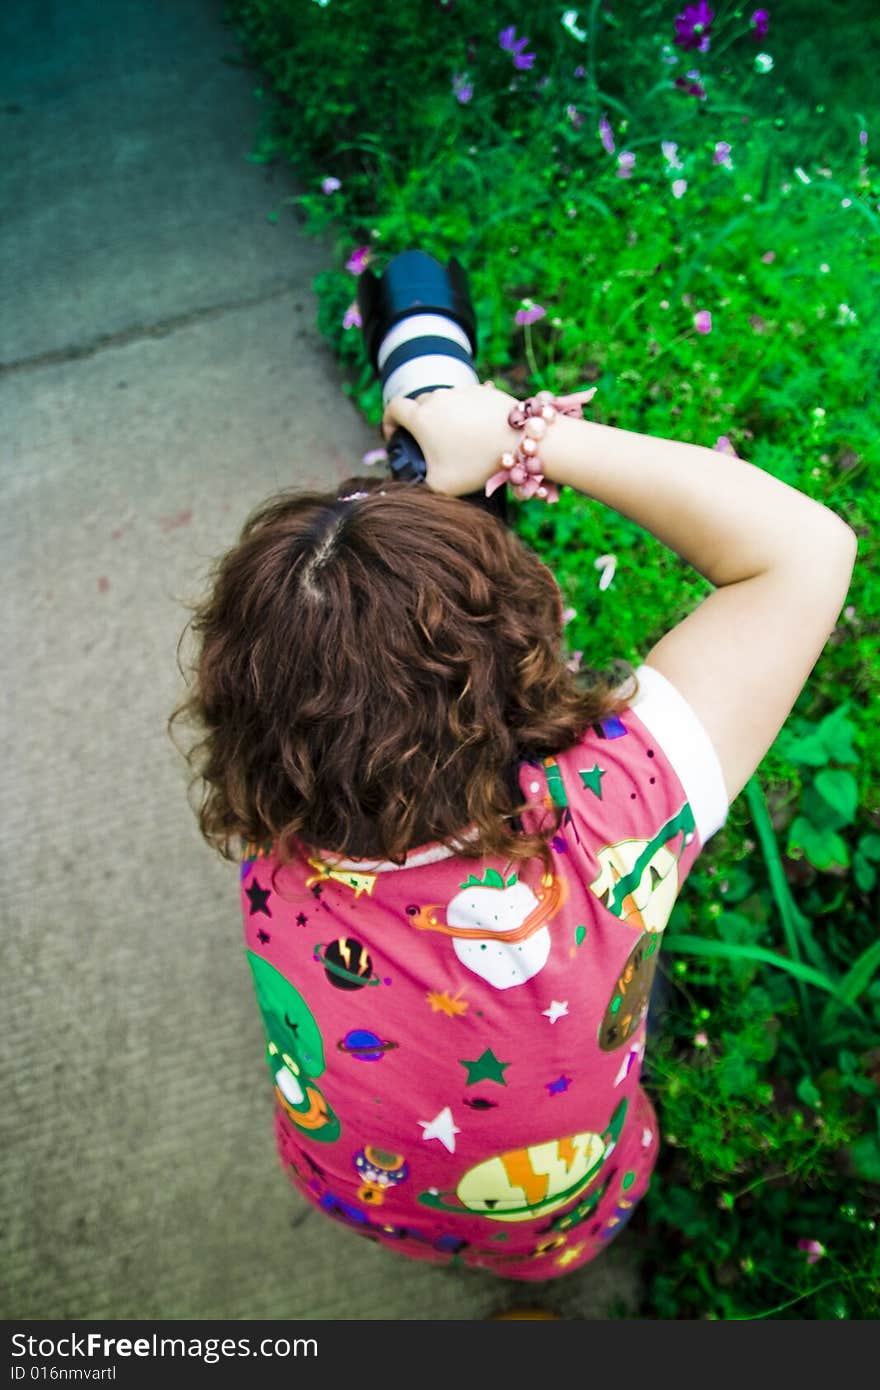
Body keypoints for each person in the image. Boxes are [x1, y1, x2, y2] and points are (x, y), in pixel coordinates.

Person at [168, 380, 856, 1284]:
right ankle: (535, 1284)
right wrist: (519, 433)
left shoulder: (275, 841)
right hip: (557, 1213)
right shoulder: (614, 816)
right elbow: (808, 550)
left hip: (345, 1182)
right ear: (519, 663)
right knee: (547, 1215)